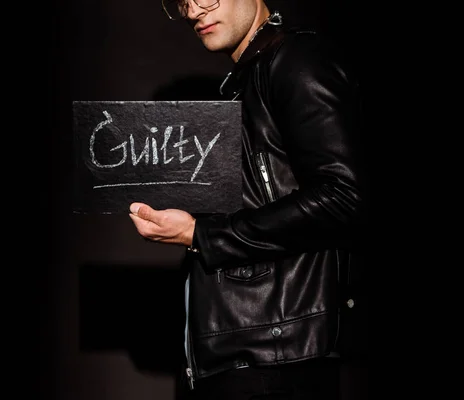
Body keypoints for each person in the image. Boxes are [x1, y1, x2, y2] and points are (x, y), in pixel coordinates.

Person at [128, 0, 367, 398]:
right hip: (247, 355)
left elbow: (343, 196)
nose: (193, 11)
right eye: (182, 1)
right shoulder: (248, 78)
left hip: (276, 357)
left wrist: (200, 234)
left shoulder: (295, 61)